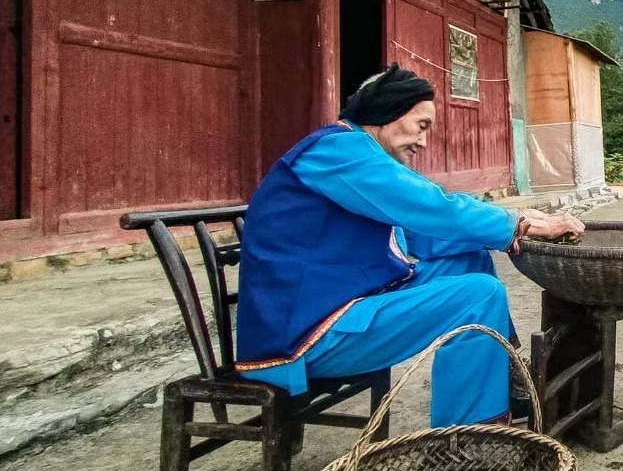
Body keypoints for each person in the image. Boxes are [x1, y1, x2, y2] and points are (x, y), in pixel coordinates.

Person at [235, 64, 584, 426]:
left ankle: (502, 373)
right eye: (421, 126)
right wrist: (519, 223)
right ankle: (465, 442)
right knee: (479, 295)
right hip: (306, 335)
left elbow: (426, 232)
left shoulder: (354, 154)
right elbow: (433, 207)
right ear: (387, 113)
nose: (423, 141)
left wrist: (520, 224)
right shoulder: (337, 151)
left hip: (340, 304)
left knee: (466, 256)